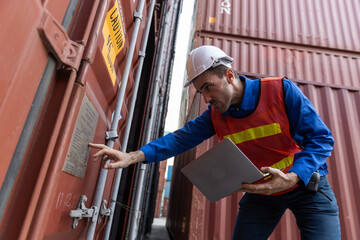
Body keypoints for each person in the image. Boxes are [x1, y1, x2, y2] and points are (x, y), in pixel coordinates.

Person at [89, 45, 341, 239]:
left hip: (307, 187)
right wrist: (131, 156)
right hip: (262, 193)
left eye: (209, 87)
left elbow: (321, 138)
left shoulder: (281, 91)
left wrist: (294, 175)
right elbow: (178, 140)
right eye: (201, 92)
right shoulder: (214, 115)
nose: (206, 98)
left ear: (229, 75)